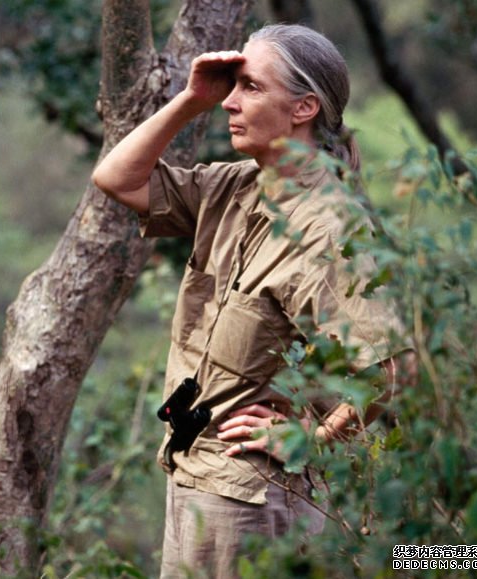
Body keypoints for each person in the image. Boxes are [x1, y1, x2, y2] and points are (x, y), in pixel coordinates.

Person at [91, 24, 415, 578]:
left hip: (252, 500)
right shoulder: (237, 186)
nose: (230, 104)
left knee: (446, 556)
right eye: (232, 88)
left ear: (304, 108)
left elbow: (391, 365)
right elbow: (116, 177)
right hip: (197, 471)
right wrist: (191, 99)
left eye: (251, 88)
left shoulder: (329, 229)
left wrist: (312, 439)